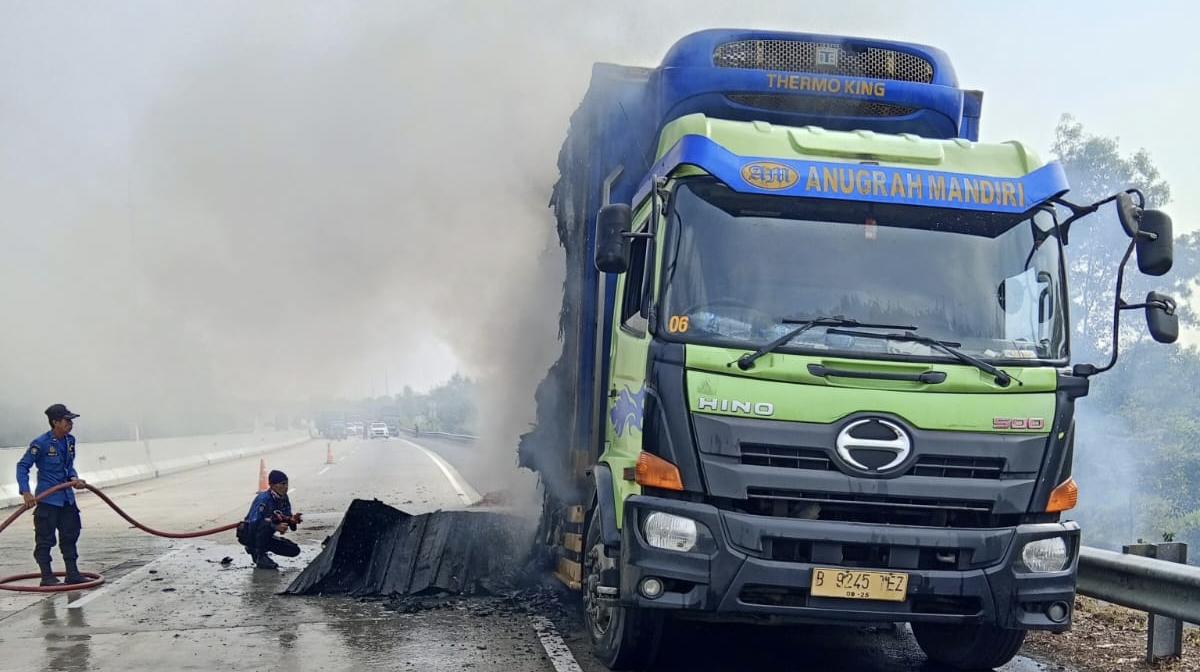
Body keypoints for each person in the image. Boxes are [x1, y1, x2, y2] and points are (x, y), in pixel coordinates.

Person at [15, 404, 88, 586]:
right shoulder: (40, 443)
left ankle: (72, 574)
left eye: (71, 421)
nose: (70, 424)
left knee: (70, 535)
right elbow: (22, 466)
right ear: (55, 422)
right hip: (48, 500)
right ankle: (47, 577)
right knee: (45, 540)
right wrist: (26, 491)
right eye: (66, 420)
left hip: (67, 498)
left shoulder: (70, 441)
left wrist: (74, 478)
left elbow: (69, 466)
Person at [238, 470, 300, 569]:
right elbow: (254, 522)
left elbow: (286, 515)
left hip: (266, 535)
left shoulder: (284, 498)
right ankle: (258, 554)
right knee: (264, 525)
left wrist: (292, 520)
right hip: (250, 534)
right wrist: (275, 526)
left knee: (294, 550)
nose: (286, 487)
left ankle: (262, 547)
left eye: (287, 484)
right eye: (282, 484)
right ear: (272, 485)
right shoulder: (263, 499)